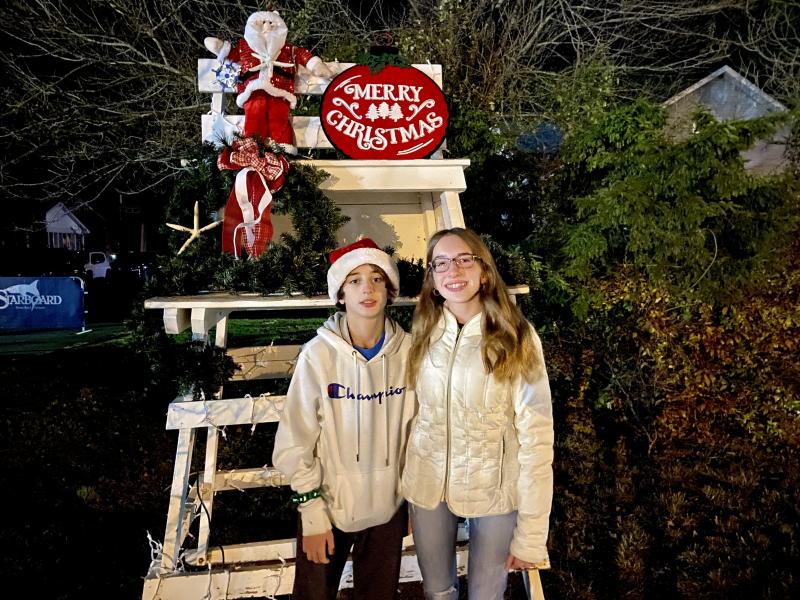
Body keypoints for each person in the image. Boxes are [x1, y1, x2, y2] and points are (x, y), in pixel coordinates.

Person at [401, 227, 554, 599]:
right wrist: (405, 488)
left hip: (495, 489)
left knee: (486, 593)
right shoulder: (422, 331)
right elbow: (411, 414)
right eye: (441, 264)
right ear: (433, 280)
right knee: (438, 591)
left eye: (463, 260)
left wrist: (531, 535)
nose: (453, 271)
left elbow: (537, 434)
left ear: (483, 270)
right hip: (428, 485)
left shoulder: (515, 334)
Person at [273, 238, 416, 600]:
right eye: (354, 280)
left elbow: (419, 435)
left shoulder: (411, 353)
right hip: (330, 509)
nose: (367, 288)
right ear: (340, 294)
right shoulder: (318, 356)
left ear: (390, 290)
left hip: (389, 509)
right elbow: (294, 443)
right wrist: (311, 514)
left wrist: (417, 501)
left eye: (376, 279)